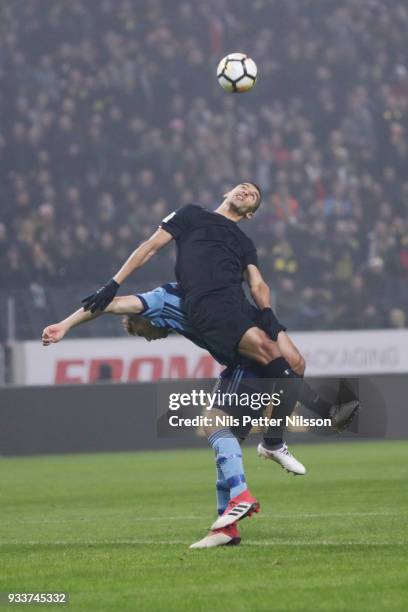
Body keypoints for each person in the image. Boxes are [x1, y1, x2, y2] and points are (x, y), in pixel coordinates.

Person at [79, 182, 359, 541]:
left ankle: (276, 446)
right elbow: (147, 252)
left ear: (251, 213)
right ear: (228, 191)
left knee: (258, 390)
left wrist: (89, 305)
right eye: (243, 186)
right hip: (235, 347)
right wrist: (97, 299)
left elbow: (255, 284)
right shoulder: (191, 222)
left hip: (240, 328)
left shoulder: (185, 287)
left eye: (254, 194)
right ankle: (229, 520)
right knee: (228, 426)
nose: (246, 190)